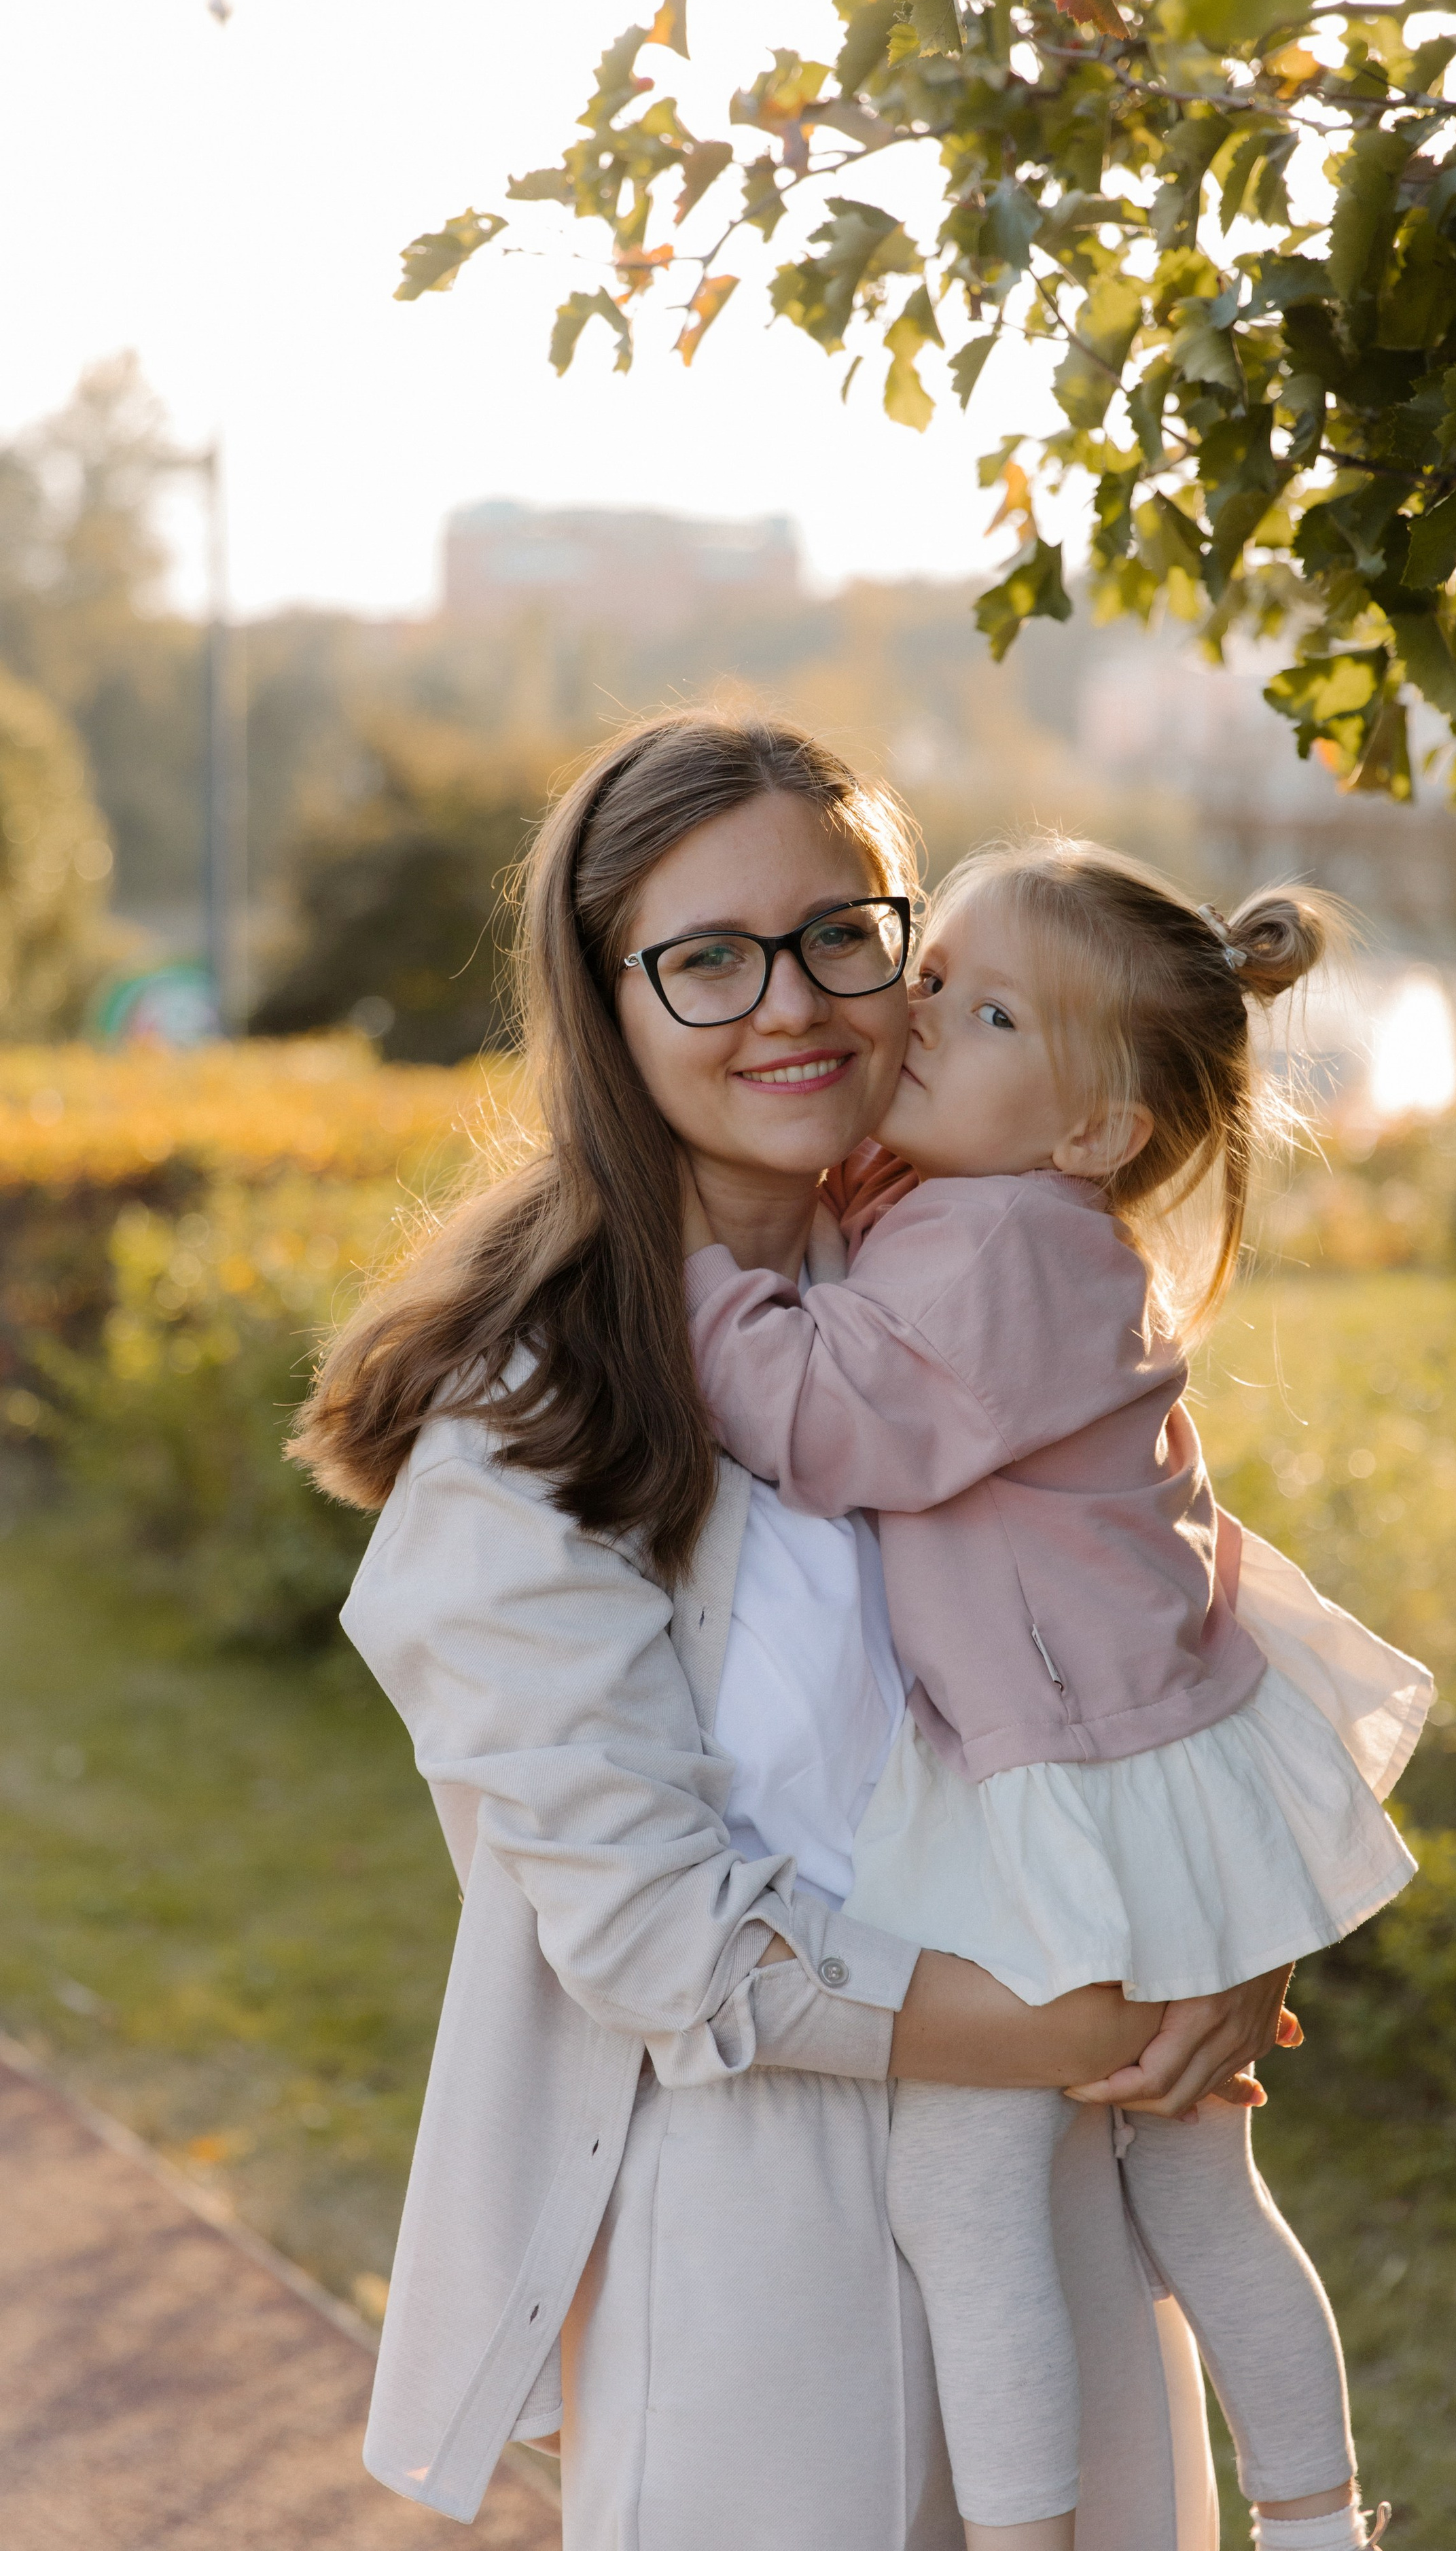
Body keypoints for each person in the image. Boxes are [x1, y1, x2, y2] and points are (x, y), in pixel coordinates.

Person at [289, 713, 1299, 2551]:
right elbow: (668, 1943)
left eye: (848, 933)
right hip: (758, 2251)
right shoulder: (531, 1417)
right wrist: (1112, 2006)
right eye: (707, 958)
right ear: (607, 1004)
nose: (797, 1004)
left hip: (1059, 2195)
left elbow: (1164, 1613)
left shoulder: (977, 1271)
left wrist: (1240, 1926)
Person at [684, 837, 1436, 2551]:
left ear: (1095, 1129)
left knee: (962, 2197)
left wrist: (680, 1268)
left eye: (989, 1006)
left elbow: (826, 1423)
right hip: (1130, 1744)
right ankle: (1313, 2524)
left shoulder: (1003, 1246)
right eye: (932, 974)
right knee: (1190, 2183)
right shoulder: (990, 1202)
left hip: (1060, 1779)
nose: (923, 1014)